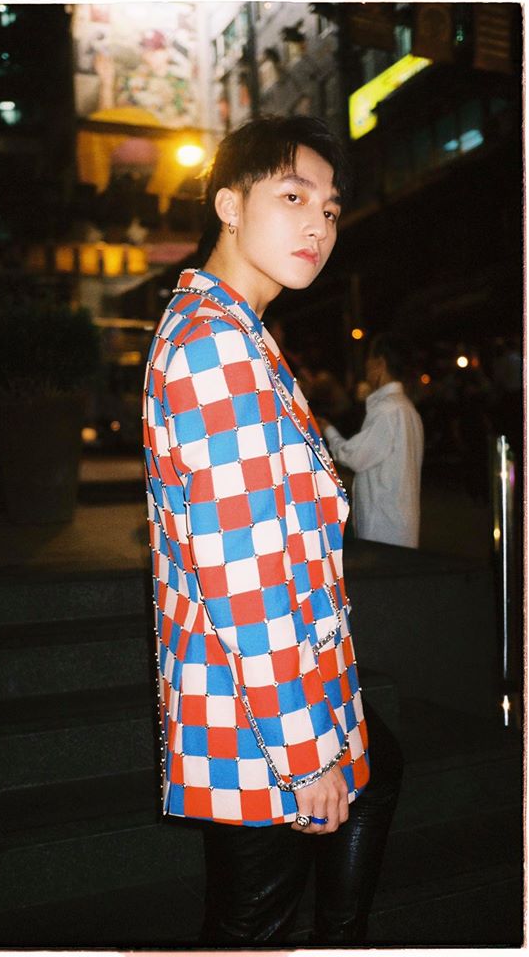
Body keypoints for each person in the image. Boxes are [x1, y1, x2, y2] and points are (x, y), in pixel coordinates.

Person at [142, 115, 403, 945]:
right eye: (292, 197)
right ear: (228, 205)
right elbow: (243, 577)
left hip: (286, 685)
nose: (317, 224)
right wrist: (306, 754)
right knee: (251, 927)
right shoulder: (216, 349)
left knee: (379, 769)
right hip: (256, 712)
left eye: (328, 208)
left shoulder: (240, 334)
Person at [318, 333, 424, 548]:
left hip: (384, 527)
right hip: (400, 525)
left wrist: (327, 430)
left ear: (380, 363)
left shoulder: (388, 410)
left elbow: (354, 456)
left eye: (368, 358)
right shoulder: (407, 409)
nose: (365, 366)